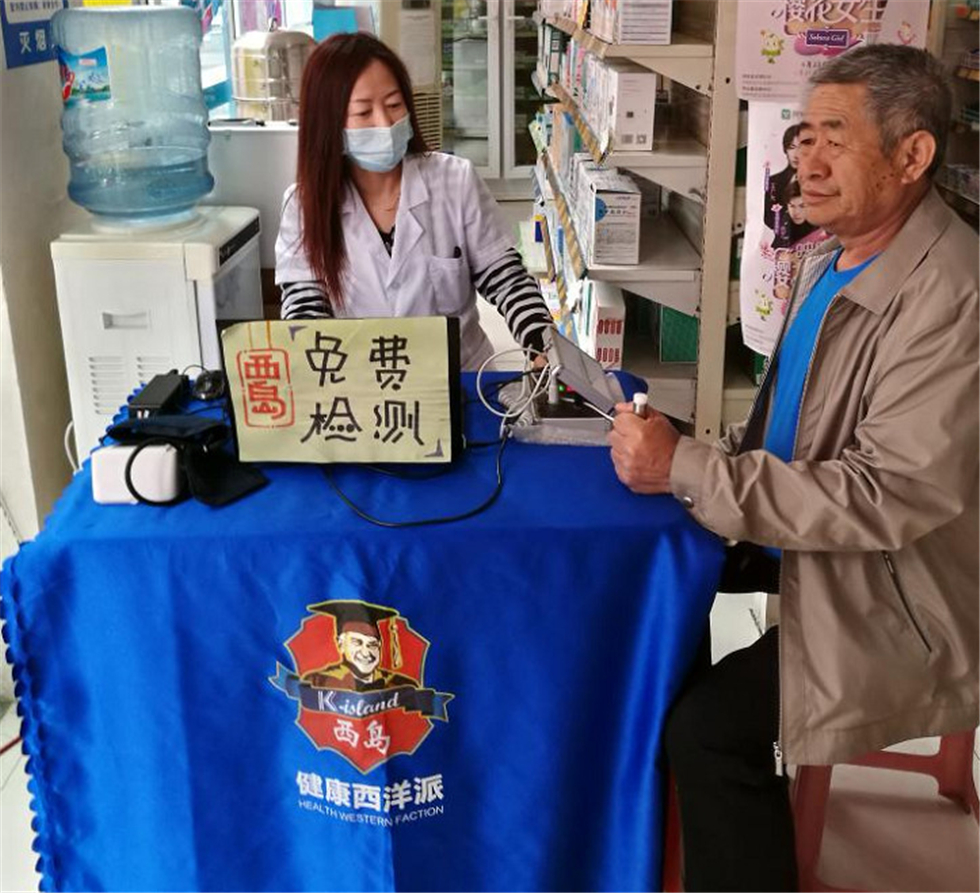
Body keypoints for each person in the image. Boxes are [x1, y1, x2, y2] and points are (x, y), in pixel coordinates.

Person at [608, 45, 978, 891]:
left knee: (708, 730)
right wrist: (692, 462)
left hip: (902, 592)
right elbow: (793, 432)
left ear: (913, 155)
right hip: (814, 540)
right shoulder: (831, 255)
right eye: (802, 135)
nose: (806, 161)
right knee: (650, 598)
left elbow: (887, 495)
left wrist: (691, 468)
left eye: (835, 138)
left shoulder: (953, 296)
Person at [275, 32, 554, 370]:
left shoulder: (454, 180)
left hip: (461, 378)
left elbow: (505, 276)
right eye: (363, 112)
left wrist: (541, 341)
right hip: (362, 383)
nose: (385, 123)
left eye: (394, 105)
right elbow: (304, 307)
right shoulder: (305, 206)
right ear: (328, 124)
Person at [302, 601, 418, 693]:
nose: (366, 653)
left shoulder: (401, 686)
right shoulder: (319, 682)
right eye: (357, 643)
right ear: (341, 644)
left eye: (372, 645)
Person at [763, 123, 803, 242]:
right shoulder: (774, 181)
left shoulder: (820, 180)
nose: (796, 154)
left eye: (801, 147)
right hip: (783, 243)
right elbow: (768, 217)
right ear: (785, 149)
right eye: (792, 147)